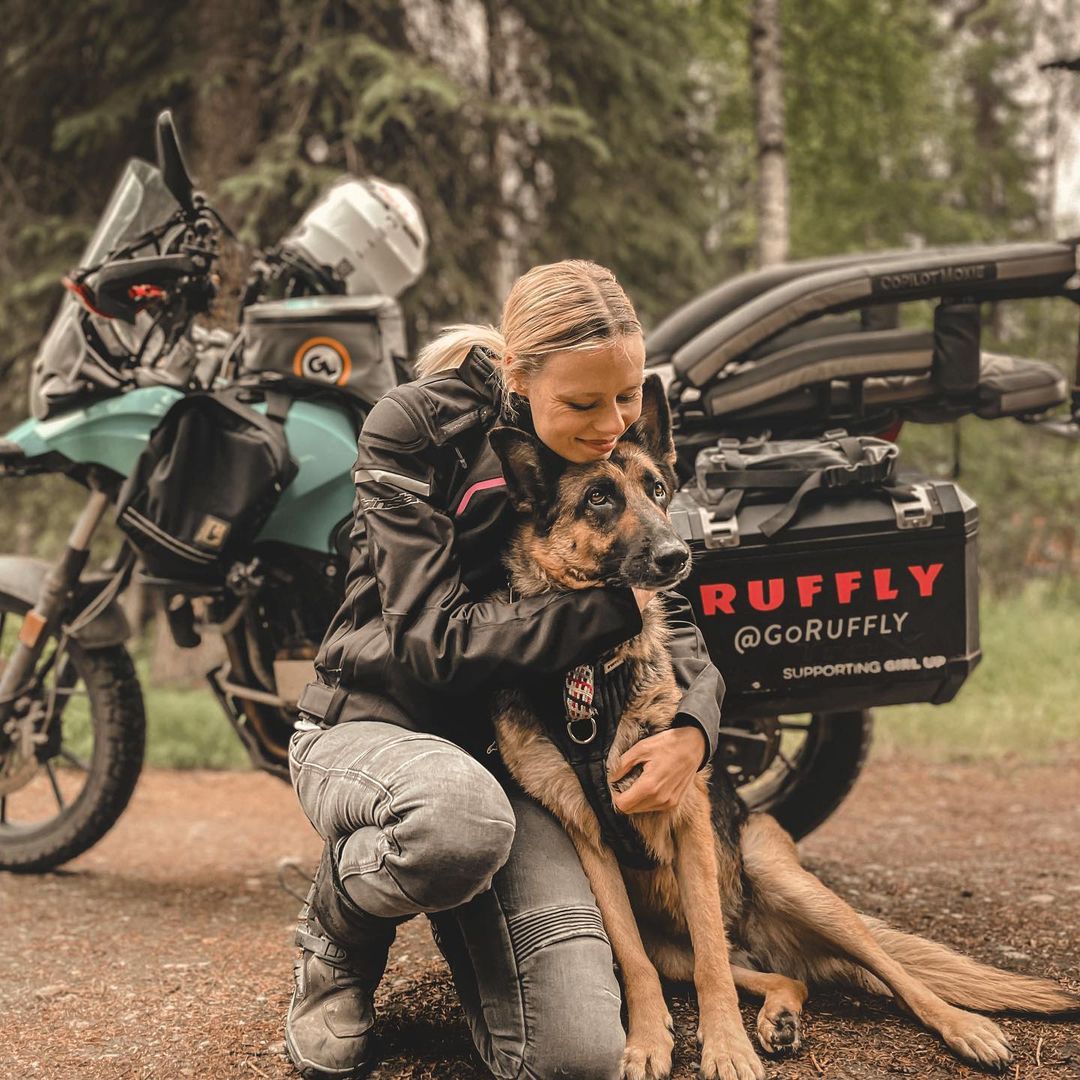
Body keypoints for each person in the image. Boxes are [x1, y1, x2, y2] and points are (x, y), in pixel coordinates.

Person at [284, 259, 725, 1080]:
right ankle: (340, 933)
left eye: (626, 397)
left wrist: (694, 730)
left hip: (512, 767)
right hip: (375, 725)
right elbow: (431, 643)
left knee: (574, 1056)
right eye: (584, 404)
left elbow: (670, 611)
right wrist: (608, 608)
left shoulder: (611, 450)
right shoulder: (410, 427)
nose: (610, 425)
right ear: (519, 377)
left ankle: (461, 905)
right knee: (457, 823)